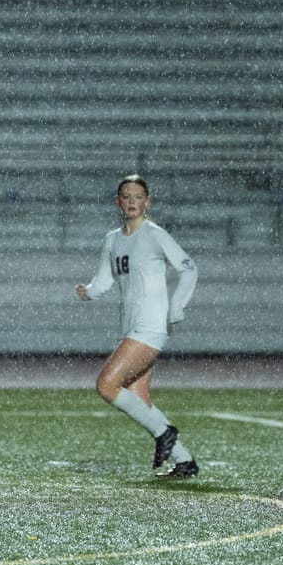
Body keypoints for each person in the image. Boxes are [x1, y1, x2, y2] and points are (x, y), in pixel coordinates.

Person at [76, 174, 200, 477]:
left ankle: (164, 433)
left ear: (148, 202)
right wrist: (88, 292)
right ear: (118, 202)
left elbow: (189, 269)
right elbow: (104, 280)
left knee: (106, 385)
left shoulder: (155, 235)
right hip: (131, 327)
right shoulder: (112, 239)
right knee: (140, 400)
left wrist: (176, 308)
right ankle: (185, 462)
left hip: (151, 326)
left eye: (138, 196)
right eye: (126, 196)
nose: (132, 202)